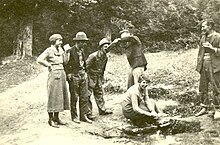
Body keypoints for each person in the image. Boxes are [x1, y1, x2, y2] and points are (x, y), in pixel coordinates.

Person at [37, 34, 70, 128]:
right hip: (54, 75)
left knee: (60, 96)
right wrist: (48, 65)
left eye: (61, 40)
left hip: (62, 73)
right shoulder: (49, 50)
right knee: (53, 96)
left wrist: (67, 52)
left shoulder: (61, 50)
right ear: (54, 41)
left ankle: (57, 118)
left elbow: (65, 62)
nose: (61, 42)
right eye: (59, 40)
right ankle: (50, 119)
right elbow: (39, 59)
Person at [86, 38, 120, 117]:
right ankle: (88, 113)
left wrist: (102, 77)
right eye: (105, 46)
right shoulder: (93, 56)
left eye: (108, 46)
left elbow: (103, 68)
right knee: (87, 95)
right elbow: (86, 67)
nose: (107, 48)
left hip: (98, 77)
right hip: (90, 77)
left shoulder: (105, 57)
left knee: (99, 93)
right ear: (101, 47)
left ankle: (102, 110)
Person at [64, 31, 93, 124]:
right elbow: (65, 63)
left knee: (84, 96)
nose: (84, 44)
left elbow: (84, 63)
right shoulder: (70, 51)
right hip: (74, 76)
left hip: (83, 75)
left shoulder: (82, 50)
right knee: (74, 97)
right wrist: (68, 74)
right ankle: (74, 116)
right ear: (78, 42)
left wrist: (85, 73)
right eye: (83, 42)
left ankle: (83, 116)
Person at [195, 19, 220, 117]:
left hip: (214, 65)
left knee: (216, 87)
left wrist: (212, 49)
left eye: (204, 27)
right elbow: (200, 52)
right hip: (203, 64)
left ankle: (218, 109)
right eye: (202, 27)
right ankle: (204, 107)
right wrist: (199, 64)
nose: (202, 29)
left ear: (210, 26)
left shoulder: (218, 36)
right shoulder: (203, 37)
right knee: (203, 86)